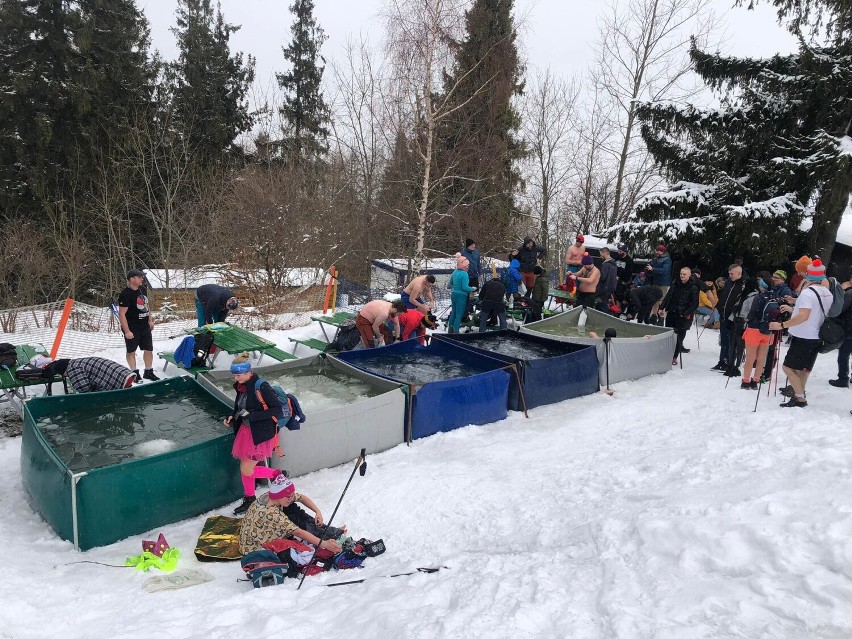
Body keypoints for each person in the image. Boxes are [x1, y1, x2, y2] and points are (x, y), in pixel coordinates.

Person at [225, 354, 286, 515]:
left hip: (259, 434)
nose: (236, 378)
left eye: (238, 375)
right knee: (244, 467)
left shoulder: (262, 387)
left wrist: (252, 416)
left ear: (248, 372)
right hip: (246, 432)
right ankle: (250, 498)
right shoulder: (242, 385)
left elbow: (277, 411)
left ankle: (277, 474)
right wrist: (232, 416)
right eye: (234, 375)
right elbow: (240, 406)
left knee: (247, 470)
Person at [769, 259, 833, 408]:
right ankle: (799, 395)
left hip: (804, 335)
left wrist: (782, 325)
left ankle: (800, 398)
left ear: (809, 276)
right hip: (817, 335)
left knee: (787, 367)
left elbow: (804, 316)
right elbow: (815, 310)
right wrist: (795, 303)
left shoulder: (807, 293)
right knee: (805, 368)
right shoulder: (827, 293)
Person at [239, 474, 346, 556]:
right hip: (254, 549)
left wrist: (317, 511)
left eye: (291, 495)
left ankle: (325, 531)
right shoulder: (271, 514)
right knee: (295, 519)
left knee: (292, 508)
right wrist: (324, 544)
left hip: (257, 534)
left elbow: (302, 498)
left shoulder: (272, 496)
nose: (290, 498)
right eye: (288, 496)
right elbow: (299, 533)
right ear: (279, 495)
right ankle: (325, 536)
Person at [117, 269, 158, 383]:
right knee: (131, 351)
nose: (142, 279)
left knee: (149, 349)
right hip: (132, 327)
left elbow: (146, 306)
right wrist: (127, 331)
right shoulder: (125, 294)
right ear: (132, 279)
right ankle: (134, 373)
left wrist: (150, 320)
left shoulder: (142, 290)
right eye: (140, 277)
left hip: (144, 326)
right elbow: (121, 314)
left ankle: (148, 371)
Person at [659, 267, 699, 364]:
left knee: (678, 337)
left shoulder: (693, 287)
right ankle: (666, 354)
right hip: (671, 311)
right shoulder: (675, 283)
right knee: (668, 334)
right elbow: (668, 296)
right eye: (681, 273)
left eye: (684, 274)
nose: (682, 276)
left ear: (689, 275)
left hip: (682, 315)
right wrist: (662, 307)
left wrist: (685, 313)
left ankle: (674, 356)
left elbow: (695, 304)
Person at [712, 264, 744, 373]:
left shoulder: (743, 285)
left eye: (732, 273)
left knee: (731, 341)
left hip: (734, 318)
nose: (730, 275)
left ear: (739, 274)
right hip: (724, 315)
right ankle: (722, 361)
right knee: (724, 339)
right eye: (729, 273)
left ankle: (729, 362)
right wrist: (718, 307)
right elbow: (724, 297)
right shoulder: (728, 282)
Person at [829, 275, 852, 387]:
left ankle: (843, 378)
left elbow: (840, 309)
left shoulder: (850, 294)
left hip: (849, 329)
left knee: (844, 355)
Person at [448, 253, 476, 333]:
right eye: (467, 265)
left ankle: (450, 329)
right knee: (459, 315)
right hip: (461, 296)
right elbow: (465, 287)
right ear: (462, 265)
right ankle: (456, 331)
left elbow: (451, 283)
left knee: (453, 313)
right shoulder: (464, 274)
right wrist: (472, 288)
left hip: (454, 294)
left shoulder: (455, 272)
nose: (468, 266)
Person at [646, 244, 672, 317]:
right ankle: (653, 316)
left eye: (658, 251)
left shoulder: (667, 260)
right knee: (655, 299)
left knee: (661, 300)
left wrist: (653, 269)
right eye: (656, 250)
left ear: (663, 251)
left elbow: (665, 271)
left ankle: (661, 316)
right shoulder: (656, 259)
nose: (656, 252)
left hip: (663, 283)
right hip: (656, 282)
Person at [595, 247, 618, 314]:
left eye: (601, 254)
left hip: (604, 288)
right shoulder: (614, 263)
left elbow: (602, 277)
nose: (600, 256)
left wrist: (596, 274)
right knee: (605, 304)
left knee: (601, 306)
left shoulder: (606, 264)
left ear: (604, 253)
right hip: (610, 288)